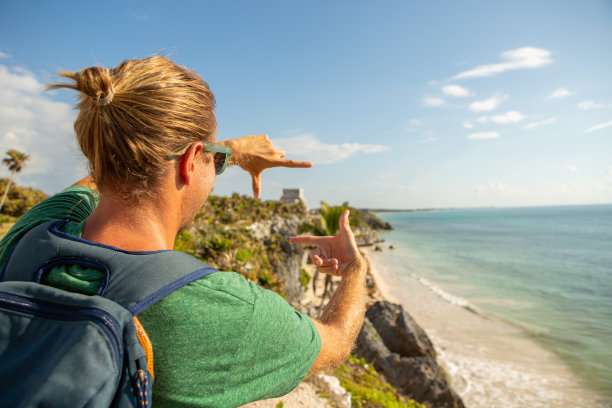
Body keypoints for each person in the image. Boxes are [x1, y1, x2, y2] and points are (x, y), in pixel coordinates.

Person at [0, 56, 367, 407]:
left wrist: (224, 151)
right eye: (212, 160)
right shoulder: (223, 309)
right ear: (191, 161)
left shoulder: (35, 231)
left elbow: (100, 175)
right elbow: (335, 342)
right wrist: (355, 269)